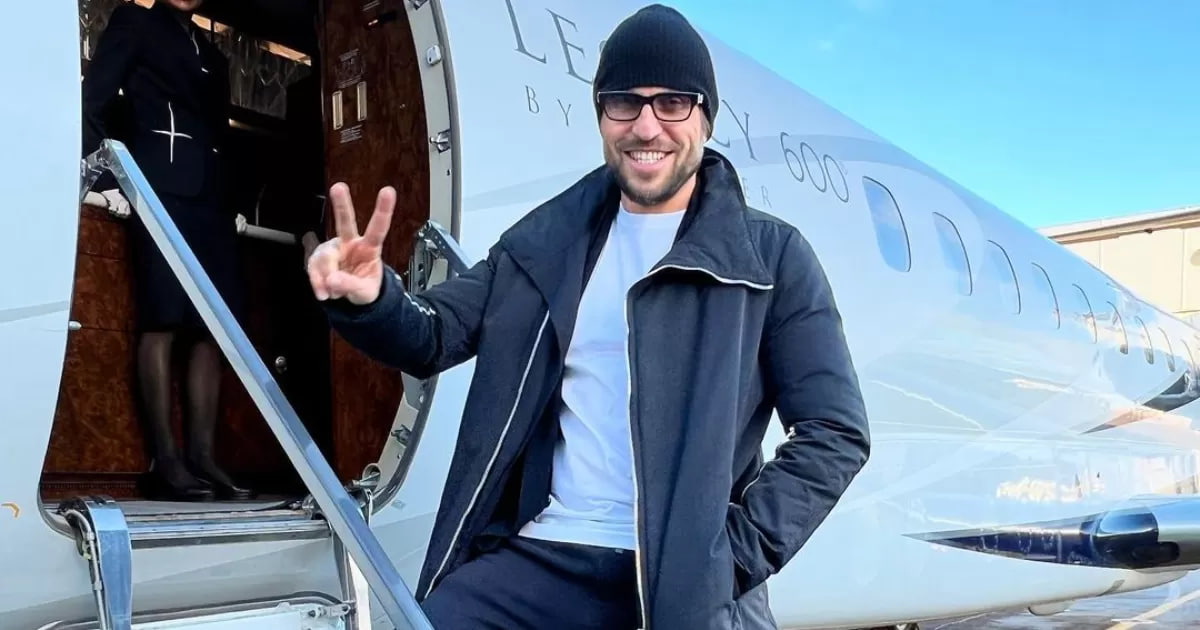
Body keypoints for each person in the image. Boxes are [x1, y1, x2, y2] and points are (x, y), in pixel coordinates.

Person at [307, 5, 870, 628]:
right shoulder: (542, 245)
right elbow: (432, 335)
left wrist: (728, 560)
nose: (647, 126)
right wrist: (371, 299)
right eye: (624, 103)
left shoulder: (770, 258)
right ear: (602, 116)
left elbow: (835, 430)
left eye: (673, 103)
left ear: (705, 118)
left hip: (681, 580)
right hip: (545, 555)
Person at [82, 0, 251, 501]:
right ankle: (166, 462)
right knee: (162, 318)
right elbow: (92, 103)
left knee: (210, 327)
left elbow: (222, 135)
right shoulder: (134, 22)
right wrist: (104, 179)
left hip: (210, 200)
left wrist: (236, 201)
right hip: (155, 189)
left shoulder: (214, 56)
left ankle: (203, 457)